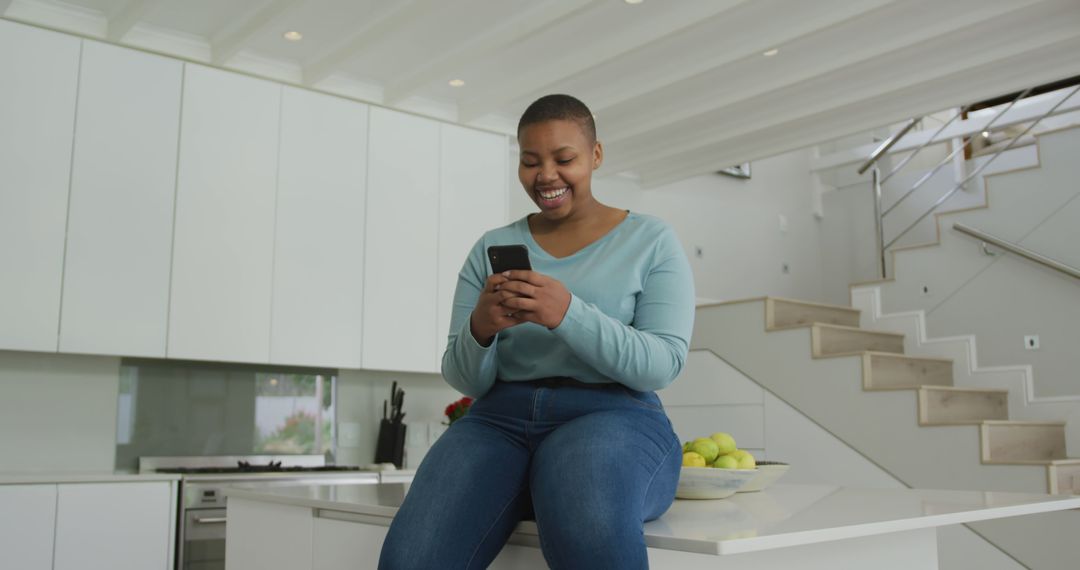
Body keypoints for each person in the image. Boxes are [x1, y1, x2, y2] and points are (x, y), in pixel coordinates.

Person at [378, 94, 695, 569]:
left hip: (612, 415)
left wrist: (566, 313)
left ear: (596, 156)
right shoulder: (493, 246)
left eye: (564, 158)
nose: (546, 175)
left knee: (587, 518)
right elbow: (467, 379)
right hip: (497, 420)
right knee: (412, 557)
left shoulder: (650, 240)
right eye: (530, 162)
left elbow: (662, 364)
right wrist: (481, 329)